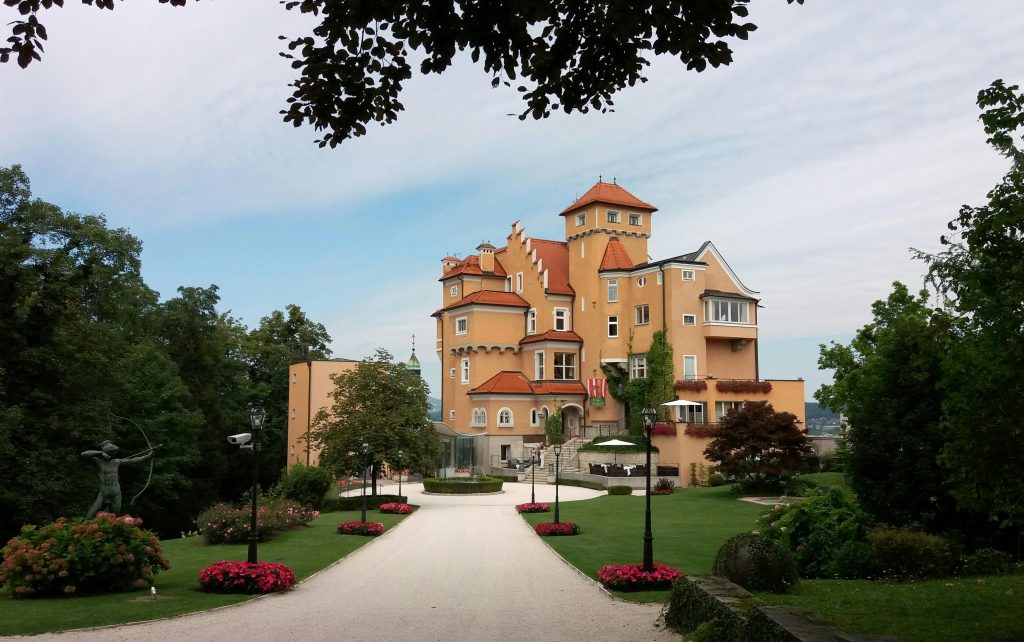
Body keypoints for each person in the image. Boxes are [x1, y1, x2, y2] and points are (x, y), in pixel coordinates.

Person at [82, 440, 158, 518]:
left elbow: (133, 460)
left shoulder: (116, 462)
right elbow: (84, 454)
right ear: (106, 453)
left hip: (116, 492)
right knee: (91, 514)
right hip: (104, 491)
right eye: (111, 452)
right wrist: (100, 453)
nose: (113, 454)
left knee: (115, 516)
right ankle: (82, 527)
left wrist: (148, 455)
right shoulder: (99, 462)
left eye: (113, 452)